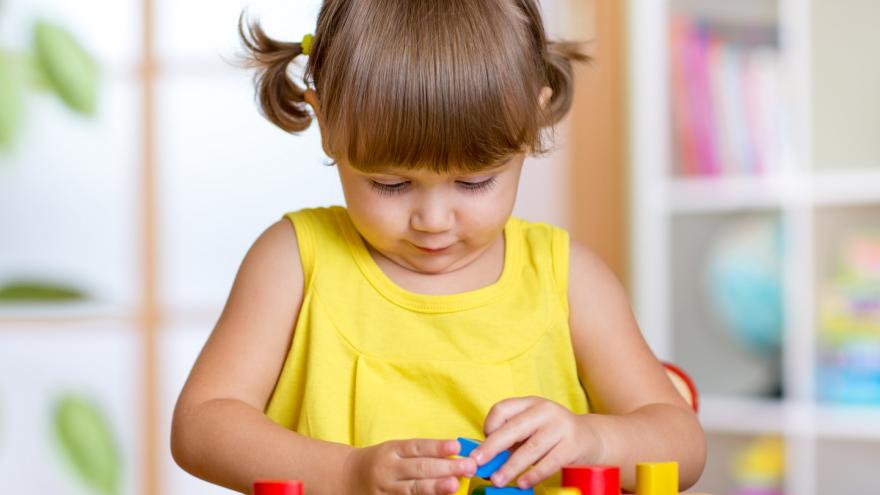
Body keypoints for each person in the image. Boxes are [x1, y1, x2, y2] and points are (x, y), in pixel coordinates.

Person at [170, 1, 706, 494]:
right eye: (391, 184)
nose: (432, 220)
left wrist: (594, 441)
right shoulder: (293, 262)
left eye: (473, 184)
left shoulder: (567, 278)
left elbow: (681, 441)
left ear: (533, 120)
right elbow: (202, 426)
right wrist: (346, 472)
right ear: (327, 123)